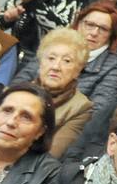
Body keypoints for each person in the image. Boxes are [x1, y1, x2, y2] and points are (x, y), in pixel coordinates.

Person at [29, 2, 117, 164]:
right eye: (89, 24)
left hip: (67, 127)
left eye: (103, 29)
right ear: (79, 24)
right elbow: (19, 83)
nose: (94, 32)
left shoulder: (115, 67)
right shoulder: (55, 45)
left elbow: (97, 111)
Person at [24, 27, 93, 158]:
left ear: (78, 70)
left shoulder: (81, 107)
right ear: (40, 63)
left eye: (67, 61)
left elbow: (51, 154)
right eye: (51, 58)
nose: (56, 67)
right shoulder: (16, 93)